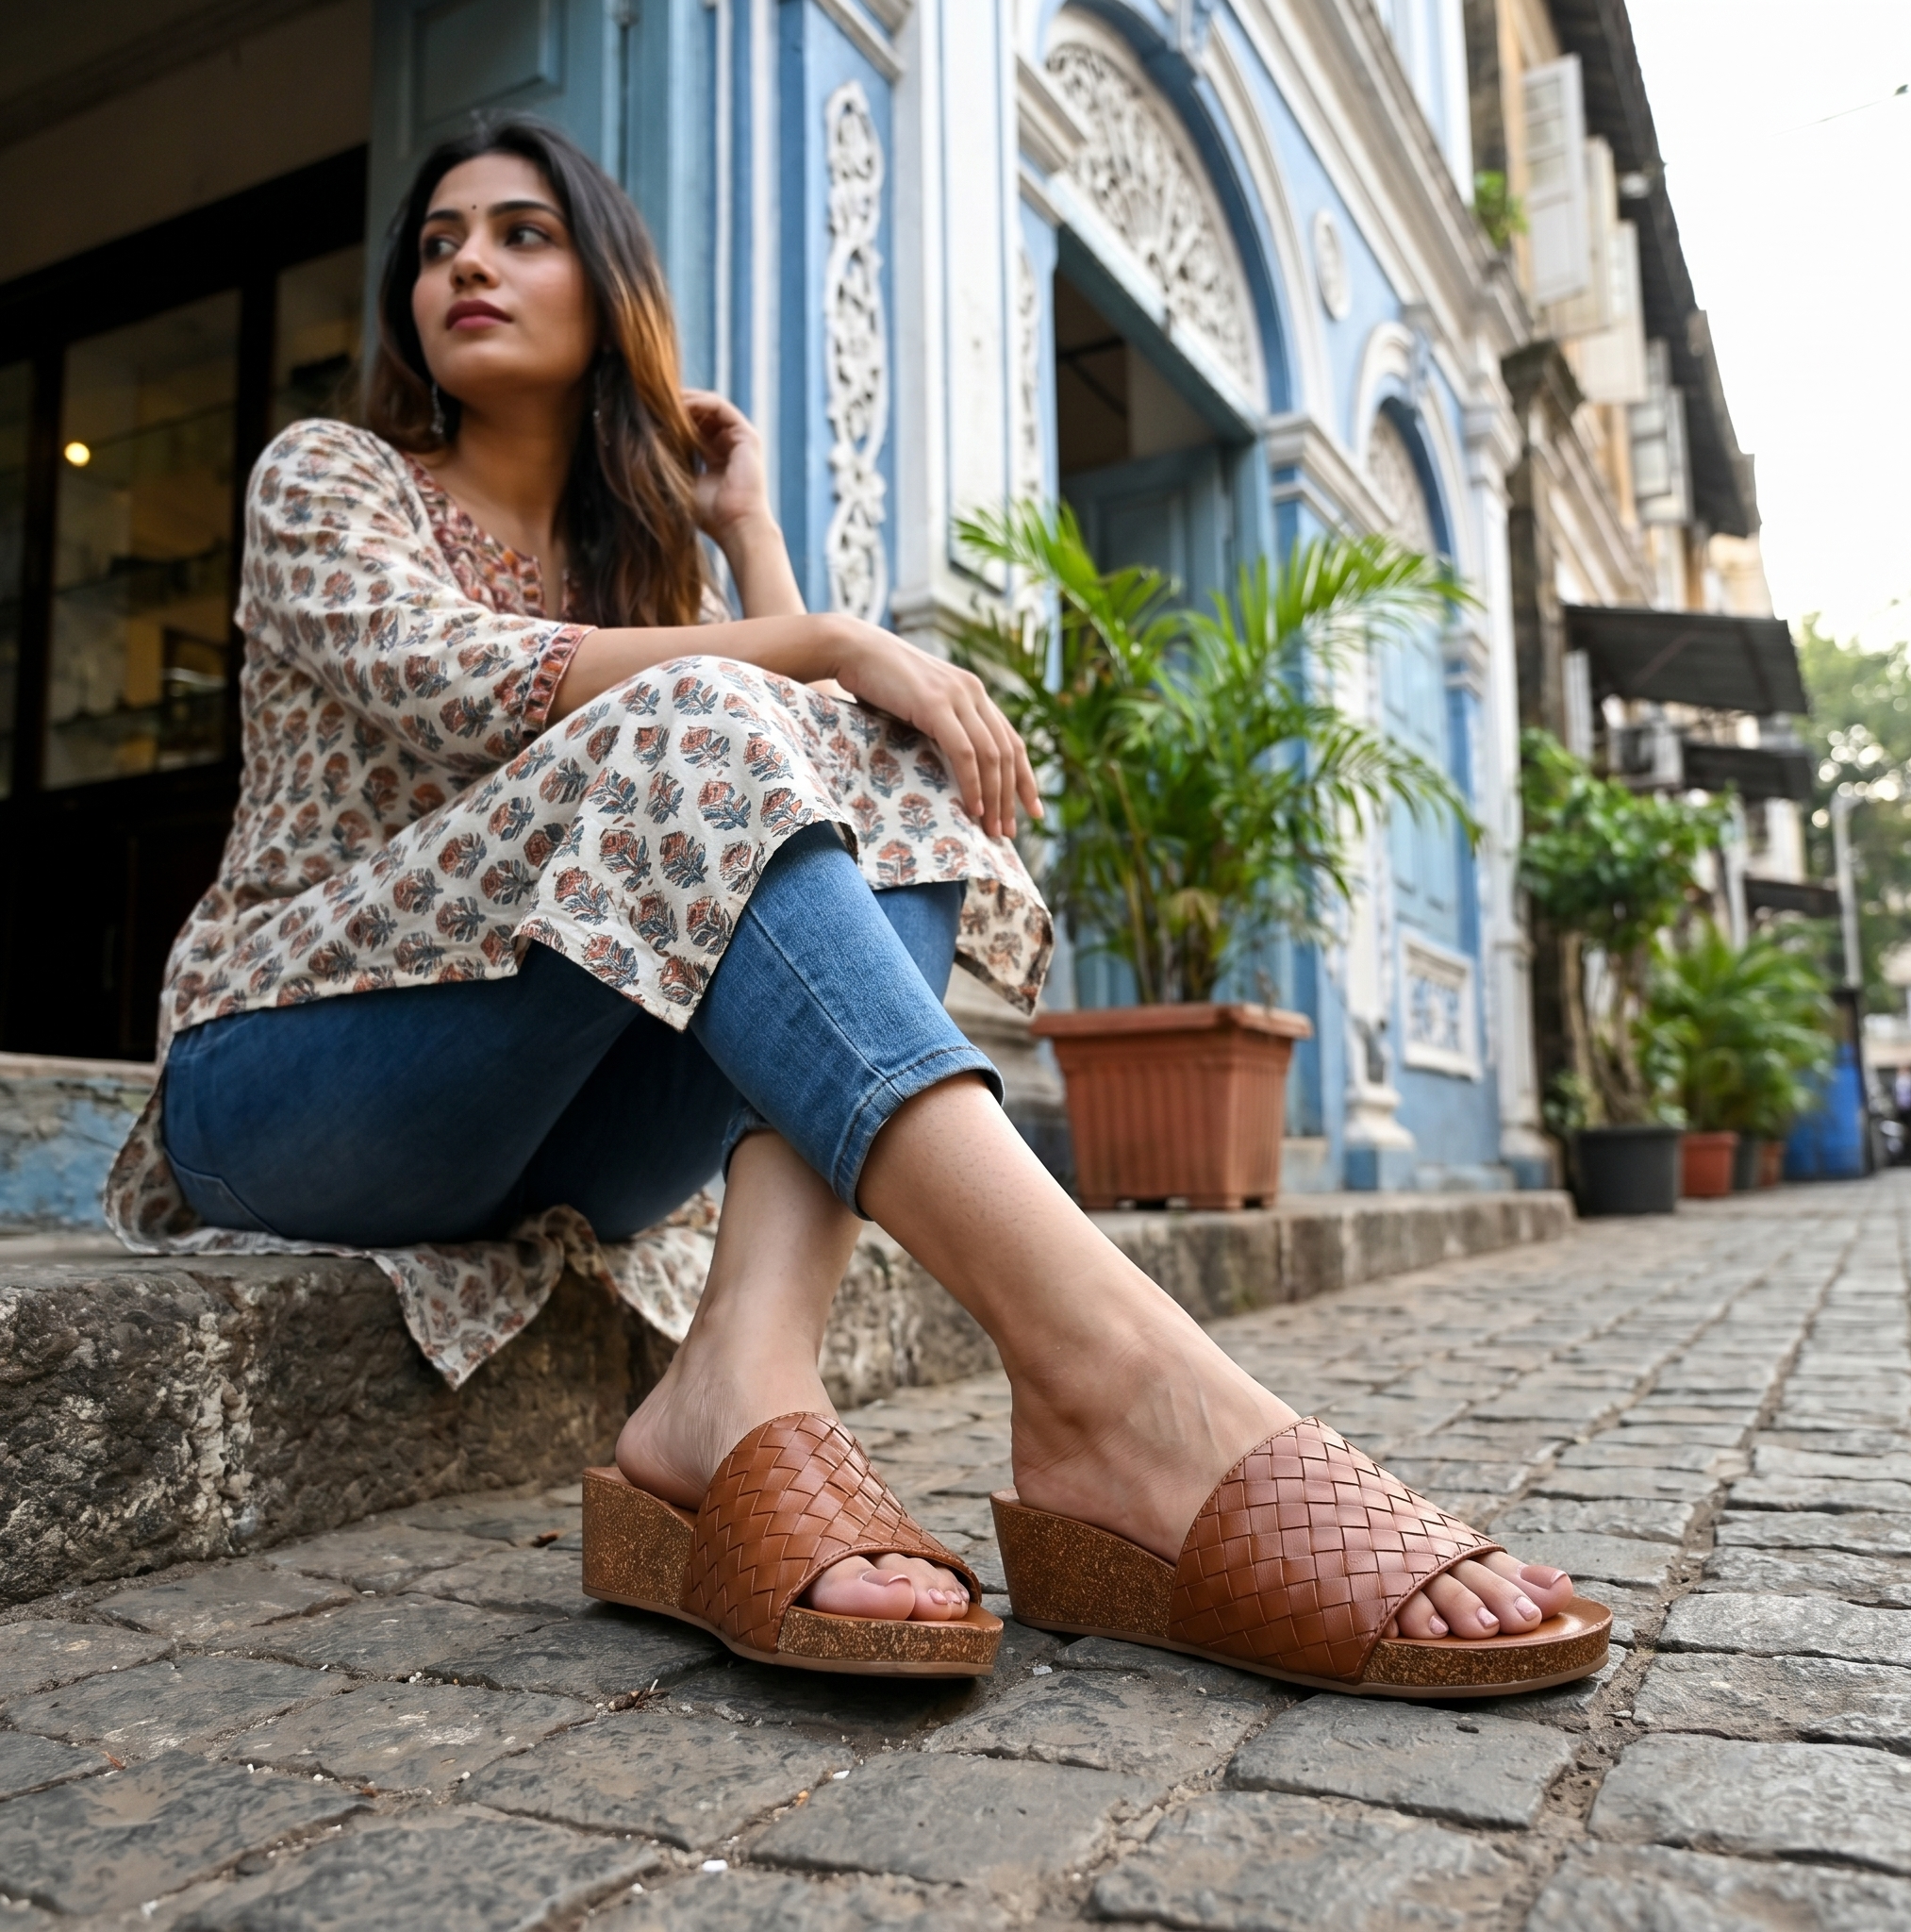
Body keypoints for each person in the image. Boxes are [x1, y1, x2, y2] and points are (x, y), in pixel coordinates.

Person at [109, 116, 1601, 1694]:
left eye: (522, 231)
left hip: (556, 1134)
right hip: (290, 1076)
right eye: (438, 243)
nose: (465, 260)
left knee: (870, 747)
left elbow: (815, 751)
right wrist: (818, 636)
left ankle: (741, 1380)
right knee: (758, 708)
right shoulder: (331, 479)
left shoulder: (649, 589)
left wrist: (744, 530)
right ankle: (1112, 1369)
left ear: (612, 288)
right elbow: (450, 682)